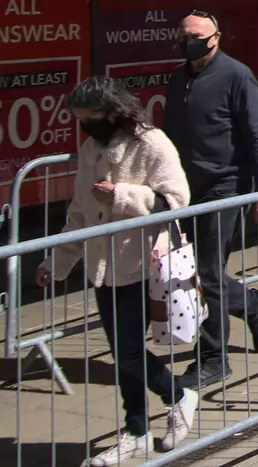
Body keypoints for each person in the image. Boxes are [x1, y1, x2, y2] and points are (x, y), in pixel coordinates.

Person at [36, 76, 199, 464]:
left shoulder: (151, 143)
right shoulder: (91, 148)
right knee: (123, 353)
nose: (84, 127)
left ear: (112, 112)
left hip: (143, 264)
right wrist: (54, 264)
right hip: (103, 268)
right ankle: (137, 431)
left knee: (128, 353)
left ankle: (177, 395)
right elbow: (79, 215)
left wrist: (124, 196)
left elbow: (177, 199)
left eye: (89, 118)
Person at [163, 10, 258, 388]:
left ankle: (213, 358)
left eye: (194, 34)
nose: (186, 40)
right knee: (196, 273)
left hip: (224, 188)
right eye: (182, 34)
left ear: (215, 37)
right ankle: (252, 304)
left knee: (208, 274)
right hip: (184, 192)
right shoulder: (178, 79)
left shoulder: (236, 75)